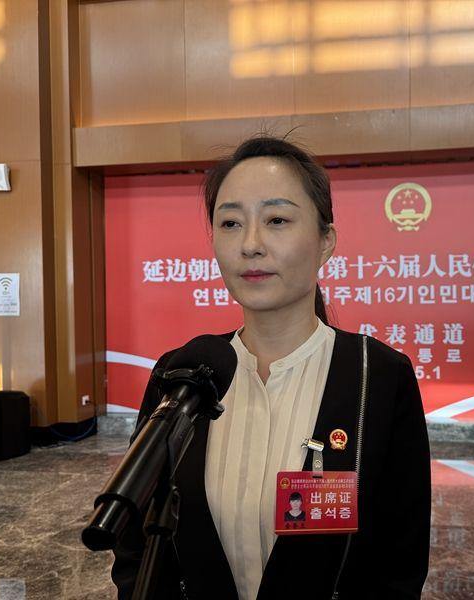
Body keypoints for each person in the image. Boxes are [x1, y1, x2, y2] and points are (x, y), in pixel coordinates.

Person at [111, 135, 431, 600]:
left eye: (277, 220)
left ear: (325, 242)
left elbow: (399, 564)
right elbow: (137, 549)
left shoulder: (379, 377)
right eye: (231, 223)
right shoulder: (182, 375)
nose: (251, 244)